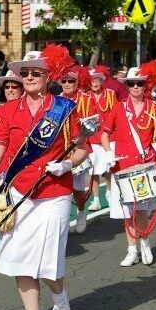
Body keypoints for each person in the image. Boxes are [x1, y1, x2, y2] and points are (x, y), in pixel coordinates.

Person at [0, 45, 89, 310]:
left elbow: (82, 149)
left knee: (48, 260)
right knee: (19, 257)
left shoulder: (64, 109)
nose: (30, 76)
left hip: (54, 192)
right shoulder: (7, 111)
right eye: (26, 73)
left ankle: (59, 299)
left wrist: (66, 164)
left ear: (50, 77)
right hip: (17, 190)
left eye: (37, 72)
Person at [102, 61, 156, 266]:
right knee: (126, 212)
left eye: (139, 83)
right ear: (127, 86)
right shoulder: (119, 108)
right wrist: (108, 152)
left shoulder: (155, 108)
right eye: (132, 84)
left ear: (146, 85)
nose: (136, 87)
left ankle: (145, 242)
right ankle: (131, 250)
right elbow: (105, 134)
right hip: (122, 166)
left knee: (141, 211)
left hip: (145, 165)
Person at [58, 64, 97, 234]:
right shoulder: (55, 100)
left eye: (70, 81)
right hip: (60, 150)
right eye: (64, 81)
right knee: (60, 189)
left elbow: (94, 125)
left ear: (77, 82)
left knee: (78, 191)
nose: (67, 84)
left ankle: (81, 211)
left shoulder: (87, 100)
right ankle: (63, 220)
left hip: (79, 149)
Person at [88, 65, 118, 210]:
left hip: (109, 137)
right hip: (93, 138)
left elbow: (116, 114)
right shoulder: (85, 97)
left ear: (101, 81)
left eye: (97, 80)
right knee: (93, 170)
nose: (94, 83)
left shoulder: (111, 94)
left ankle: (109, 192)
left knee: (109, 167)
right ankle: (95, 199)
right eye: (92, 80)